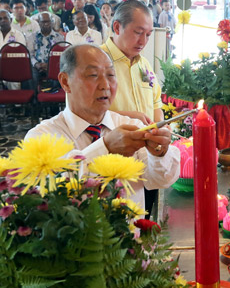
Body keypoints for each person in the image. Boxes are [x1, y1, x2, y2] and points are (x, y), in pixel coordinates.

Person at [26, 44, 179, 210]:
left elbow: (160, 180)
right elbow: (45, 199)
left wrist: (159, 153)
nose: (105, 85)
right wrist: (104, 148)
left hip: (131, 233)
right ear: (65, 82)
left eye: (111, 75)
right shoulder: (41, 137)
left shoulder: (131, 126)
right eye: (93, 75)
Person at [100, 0, 164, 215]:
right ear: (117, 27)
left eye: (148, 34)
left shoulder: (143, 64)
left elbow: (156, 103)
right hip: (114, 160)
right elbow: (82, 113)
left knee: (149, 217)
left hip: (147, 159)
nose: (143, 41)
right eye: (138, 32)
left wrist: (161, 129)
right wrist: (130, 117)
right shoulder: (96, 61)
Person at [27, 12, 64, 86]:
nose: (46, 24)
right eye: (43, 22)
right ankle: (34, 97)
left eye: (48, 21)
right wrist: (36, 64)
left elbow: (60, 55)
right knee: (31, 75)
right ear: (39, 23)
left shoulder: (59, 37)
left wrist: (50, 65)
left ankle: (53, 95)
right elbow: (30, 54)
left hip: (53, 65)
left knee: (57, 73)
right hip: (37, 65)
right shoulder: (32, 37)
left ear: (52, 22)